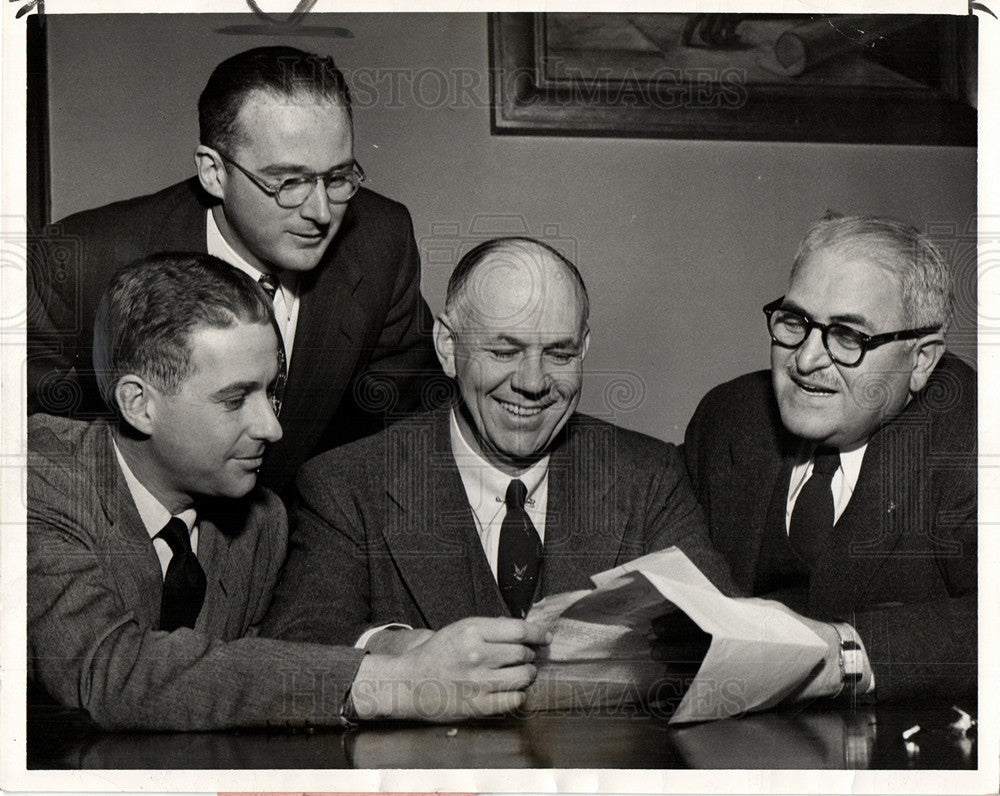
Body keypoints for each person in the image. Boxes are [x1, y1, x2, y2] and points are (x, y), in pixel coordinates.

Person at [28, 253, 548, 731]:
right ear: (139, 404)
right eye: (235, 400)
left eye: (271, 391)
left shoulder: (260, 521)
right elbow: (107, 670)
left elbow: (257, 674)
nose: (273, 429)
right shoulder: (36, 479)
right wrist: (391, 682)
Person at [260, 236, 738, 649]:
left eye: (559, 353)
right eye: (504, 351)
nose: (532, 382)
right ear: (448, 346)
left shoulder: (650, 477)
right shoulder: (346, 486)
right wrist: (405, 650)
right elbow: (299, 643)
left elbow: (725, 633)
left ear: (584, 348)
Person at [27, 46, 440, 496]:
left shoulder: (381, 243)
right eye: (288, 182)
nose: (321, 212)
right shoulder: (82, 261)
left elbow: (407, 430)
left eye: (337, 177)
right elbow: (29, 448)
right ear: (213, 172)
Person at [684, 215, 976, 701]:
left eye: (848, 336)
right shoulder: (730, 416)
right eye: (796, 323)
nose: (804, 360)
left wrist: (846, 655)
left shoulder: (971, 431)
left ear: (921, 360)